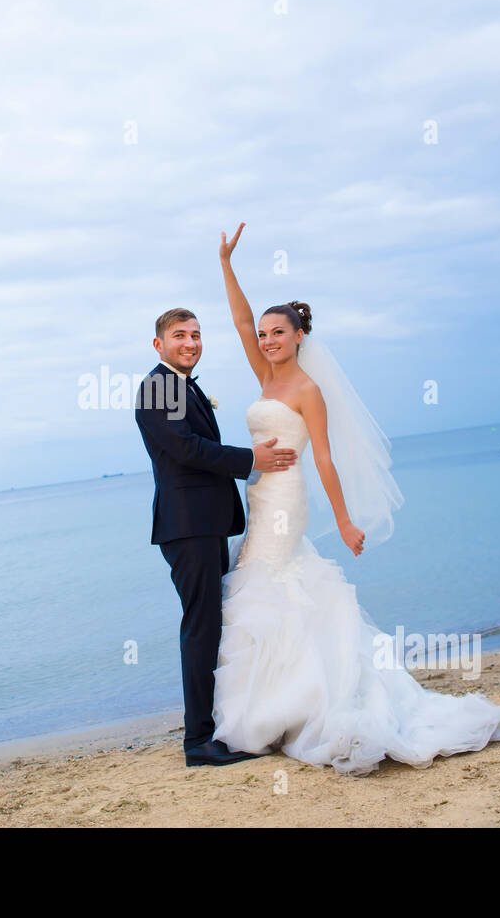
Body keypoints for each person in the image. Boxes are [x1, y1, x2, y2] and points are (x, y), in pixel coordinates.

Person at [209, 222, 500, 775]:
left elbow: (326, 459)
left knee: (268, 584)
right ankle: (276, 705)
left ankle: (281, 709)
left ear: (299, 336)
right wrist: (226, 264)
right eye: (263, 334)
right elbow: (237, 321)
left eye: (277, 333)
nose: (266, 340)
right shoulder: (264, 376)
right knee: (263, 588)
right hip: (259, 496)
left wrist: (346, 520)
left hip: (287, 501)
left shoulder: (307, 390)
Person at [134, 307, 295, 767]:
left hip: (201, 523)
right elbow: (186, 449)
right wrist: (250, 460)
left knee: (211, 625)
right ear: (158, 345)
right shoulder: (159, 386)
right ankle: (198, 741)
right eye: (180, 336)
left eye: (196, 335)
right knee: (201, 628)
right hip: (188, 526)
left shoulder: (183, 385)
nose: (190, 343)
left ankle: (216, 726)